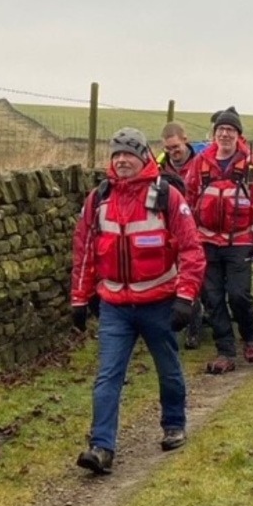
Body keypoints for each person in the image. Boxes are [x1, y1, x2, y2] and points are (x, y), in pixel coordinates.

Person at [70, 127, 206, 474]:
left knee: (168, 368)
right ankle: (101, 448)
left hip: (159, 303)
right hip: (115, 305)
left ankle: (173, 424)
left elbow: (191, 250)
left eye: (129, 153)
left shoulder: (167, 197)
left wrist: (185, 298)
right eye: (116, 154)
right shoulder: (98, 199)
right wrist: (79, 298)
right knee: (108, 375)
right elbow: (85, 250)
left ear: (145, 156)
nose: (122, 160)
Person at [184, 107, 253, 374]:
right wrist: (189, 239)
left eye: (230, 130)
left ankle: (250, 336)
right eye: (221, 130)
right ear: (214, 134)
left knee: (238, 295)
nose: (225, 134)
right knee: (212, 299)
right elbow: (188, 202)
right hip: (206, 241)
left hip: (240, 240)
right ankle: (225, 350)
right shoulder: (199, 163)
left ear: (238, 134)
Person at [159, 121, 205, 349]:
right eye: (168, 149)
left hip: (198, 226)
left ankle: (195, 326)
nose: (173, 152)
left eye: (176, 147)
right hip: (169, 230)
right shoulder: (158, 168)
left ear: (185, 140)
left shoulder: (201, 164)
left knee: (192, 272)